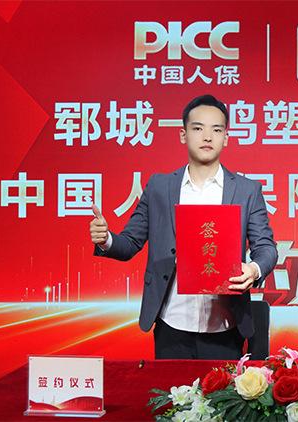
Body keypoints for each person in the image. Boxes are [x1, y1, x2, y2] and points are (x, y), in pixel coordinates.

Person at [89, 94, 278, 359]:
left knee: (222, 388)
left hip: (225, 325)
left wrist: (254, 269)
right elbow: (130, 243)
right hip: (172, 323)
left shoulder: (247, 191)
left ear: (226, 138)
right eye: (198, 128)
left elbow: (266, 247)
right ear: (183, 134)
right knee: (170, 388)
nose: (207, 137)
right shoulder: (159, 187)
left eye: (216, 130)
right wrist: (105, 239)